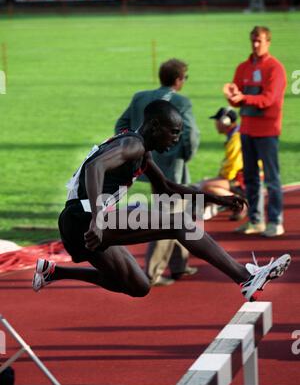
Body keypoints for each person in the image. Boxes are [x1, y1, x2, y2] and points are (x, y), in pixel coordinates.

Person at [32, 100, 290, 303]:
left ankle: (54, 272)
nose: (176, 140)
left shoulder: (141, 153)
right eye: (174, 133)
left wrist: (216, 198)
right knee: (179, 223)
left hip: (80, 223)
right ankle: (246, 278)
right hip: (85, 217)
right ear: (155, 126)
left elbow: (167, 187)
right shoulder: (132, 144)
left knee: (139, 286)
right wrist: (98, 219)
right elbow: (95, 167)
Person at [115, 58, 200, 286]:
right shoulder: (181, 101)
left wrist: (132, 150)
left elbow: (121, 124)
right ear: (178, 80)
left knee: (182, 211)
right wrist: (185, 154)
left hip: (147, 163)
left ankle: (179, 265)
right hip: (174, 167)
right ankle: (152, 273)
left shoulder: (140, 97)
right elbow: (190, 134)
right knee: (170, 215)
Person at [224, 26, 287, 237]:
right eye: (253, 40)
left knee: (271, 178)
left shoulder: (275, 68)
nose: (255, 44)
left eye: (259, 40)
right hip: (247, 129)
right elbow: (236, 96)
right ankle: (255, 220)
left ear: (268, 42)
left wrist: (243, 98)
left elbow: (268, 99)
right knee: (250, 177)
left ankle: (275, 222)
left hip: (268, 131)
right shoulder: (242, 67)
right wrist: (231, 95)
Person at [194, 107, 246, 221]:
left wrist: (220, 178)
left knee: (206, 186)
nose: (215, 124)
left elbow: (233, 167)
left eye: (217, 121)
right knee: (203, 183)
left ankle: (239, 203)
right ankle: (215, 204)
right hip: (242, 176)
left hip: (242, 179)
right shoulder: (235, 135)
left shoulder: (236, 138)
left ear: (225, 122)